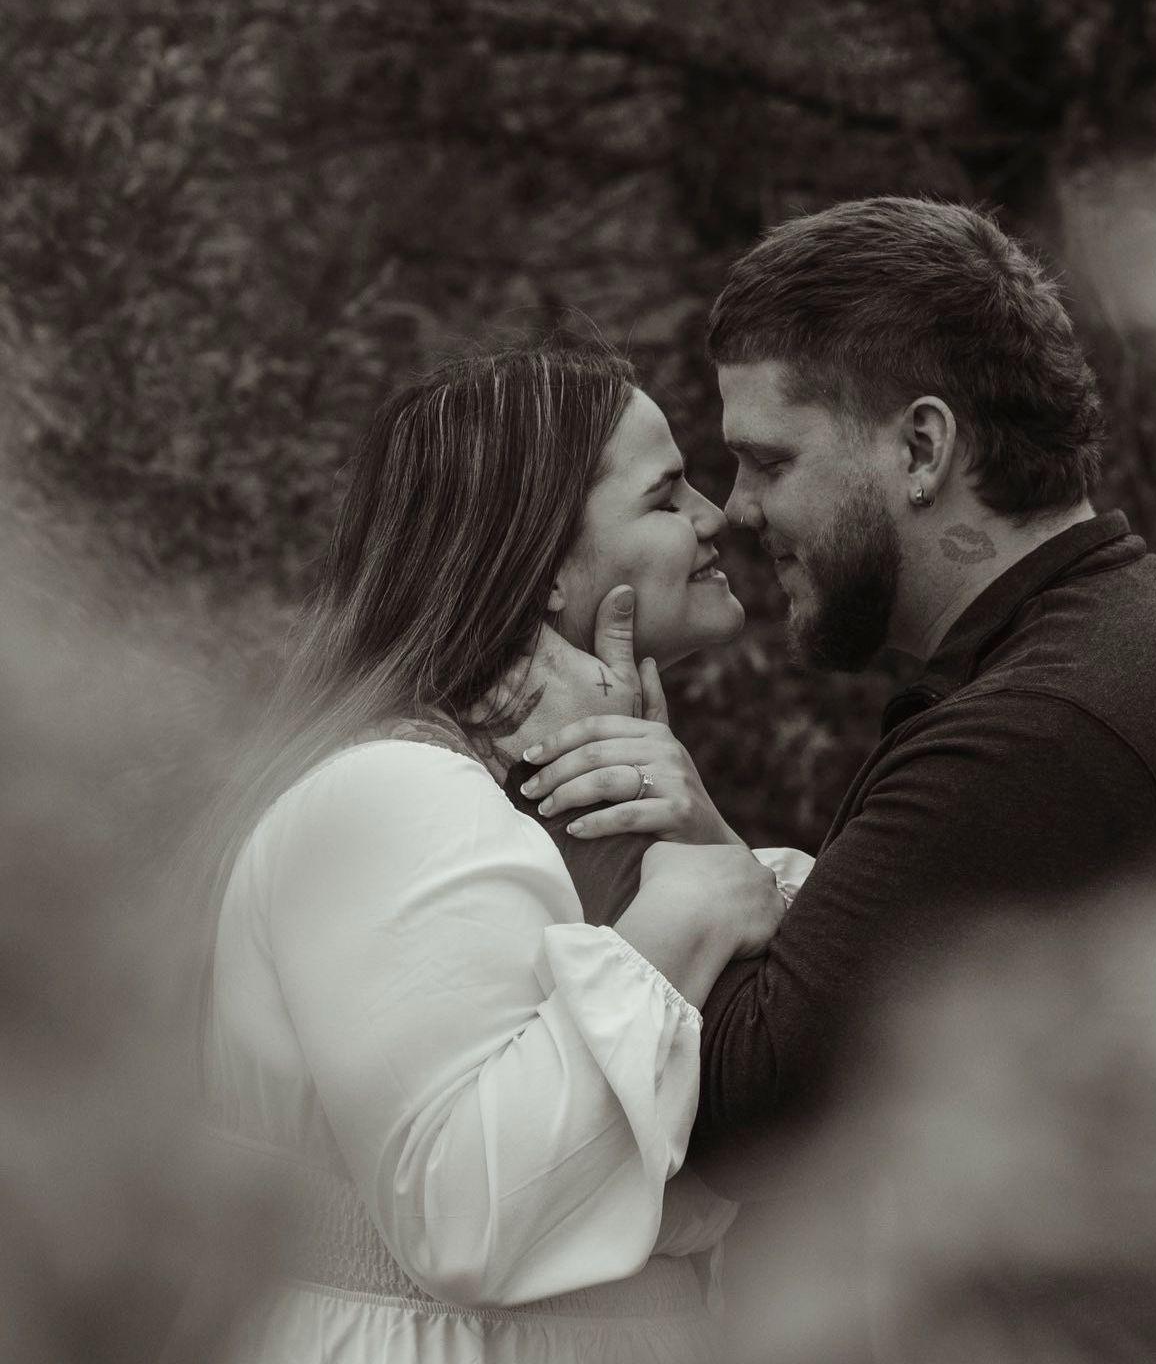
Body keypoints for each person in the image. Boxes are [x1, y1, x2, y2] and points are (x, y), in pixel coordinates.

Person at [520, 198, 1156, 1333]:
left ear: (920, 448)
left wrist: (629, 818)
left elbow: (740, 1116)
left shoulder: (1036, 731)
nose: (738, 510)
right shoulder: (1093, 649)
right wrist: (706, 838)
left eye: (769, 461)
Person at [201, 340, 791, 1364]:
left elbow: (785, 1094)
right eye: (665, 495)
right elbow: (467, 1212)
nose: (715, 516)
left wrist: (690, 844)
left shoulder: (513, 810)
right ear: (545, 567)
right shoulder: (391, 797)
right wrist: (691, 906)